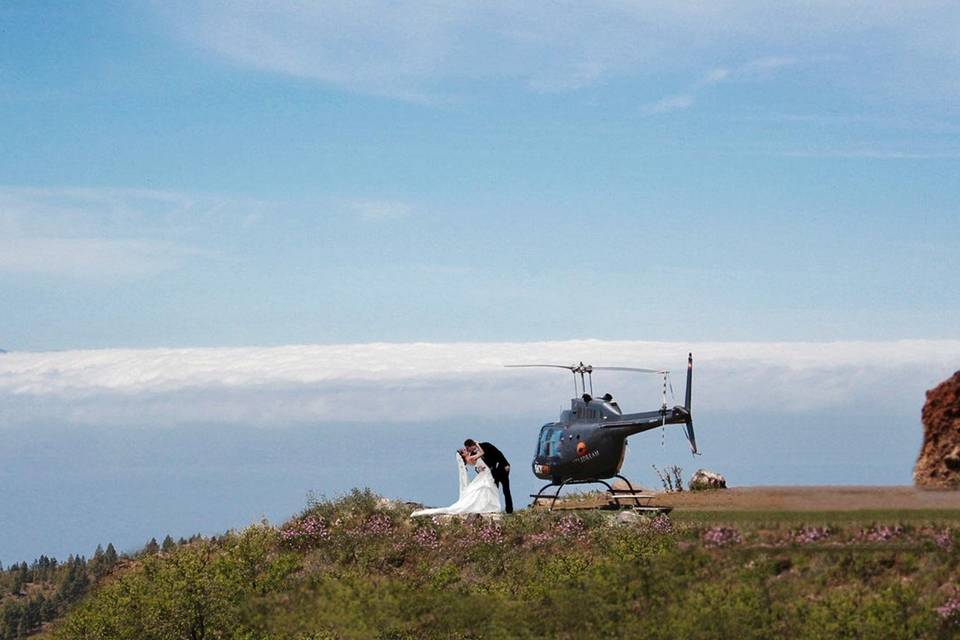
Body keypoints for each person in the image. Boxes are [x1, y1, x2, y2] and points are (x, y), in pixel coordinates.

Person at [410, 446, 501, 517]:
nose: (465, 450)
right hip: (485, 474)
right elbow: (476, 465)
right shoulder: (469, 458)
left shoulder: (472, 456)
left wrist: (479, 468)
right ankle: (486, 506)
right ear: (462, 454)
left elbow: (476, 466)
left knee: (484, 490)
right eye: (463, 450)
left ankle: (486, 506)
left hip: (486, 474)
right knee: (482, 490)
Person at [465, 438, 513, 514]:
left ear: (472, 446)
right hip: (491, 473)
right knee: (493, 490)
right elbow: (476, 465)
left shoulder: (485, 445)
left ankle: (509, 510)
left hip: (501, 468)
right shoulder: (473, 454)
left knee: (506, 490)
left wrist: (505, 464)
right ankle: (493, 507)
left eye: (468, 448)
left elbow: (498, 453)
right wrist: (478, 469)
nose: (467, 450)